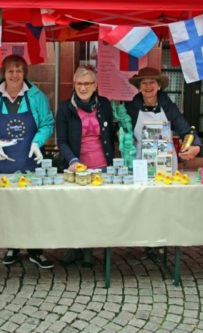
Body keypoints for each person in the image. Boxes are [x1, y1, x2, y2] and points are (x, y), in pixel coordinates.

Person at [0, 54, 55, 269]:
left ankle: (35, 249)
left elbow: (47, 123)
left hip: (30, 162)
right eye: (10, 70)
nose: (15, 74)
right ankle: (11, 245)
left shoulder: (36, 97)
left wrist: (37, 142)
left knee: (33, 207)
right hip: (2, 165)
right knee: (7, 207)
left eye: (19, 70)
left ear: (24, 74)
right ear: (3, 74)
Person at [125, 67, 202, 260]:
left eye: (152, 82)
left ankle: (163, 242)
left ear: (159, 85)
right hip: (142, 162)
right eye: (144, 83)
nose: (148, 86)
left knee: (165, 203)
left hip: (166, 164)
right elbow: (123, 132)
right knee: (144, 204)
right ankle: (146, 243)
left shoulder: (168, 106)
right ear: (139, 87)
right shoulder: (131, 107)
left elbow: (186, 130)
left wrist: (195, 146)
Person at [56, 65, 116, 267]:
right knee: (74, 209)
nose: (83, 88)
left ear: (95, 85)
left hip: (102, 166)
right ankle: (75, 247)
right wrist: (72, 160)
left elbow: (111, 135)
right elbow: (62, 140)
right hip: (76, 168)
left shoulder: (105, 105)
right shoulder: (65, 108)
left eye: (88, 83)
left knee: (96, 209)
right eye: (79, 84)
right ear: (74, 85)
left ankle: (89, 249)